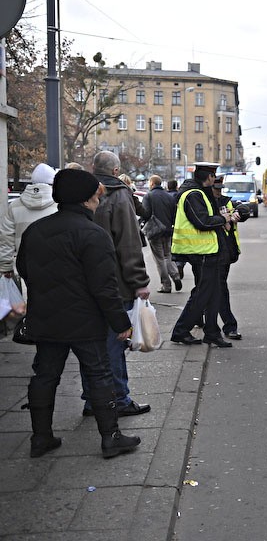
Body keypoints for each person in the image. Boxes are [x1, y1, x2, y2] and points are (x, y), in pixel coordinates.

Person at [17, 169, 141, 458]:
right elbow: (104, 287)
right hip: (85, 321)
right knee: (99, 374)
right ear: (86, 200)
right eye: (96, 197)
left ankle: (41, 437)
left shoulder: (37, 230)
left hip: (46, 319)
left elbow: (25, 269)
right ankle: (111, 437)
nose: (98, 201)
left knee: (44, 376)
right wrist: (120, 323)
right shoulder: (93, 234)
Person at [82, 151, 151, 417]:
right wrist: (139, 282)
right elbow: (128, 242)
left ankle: (91, 399)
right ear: (115, 171)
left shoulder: (83, 191)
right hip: (115, 283)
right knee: (114, 343)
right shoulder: (120, 194)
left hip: (85, 283)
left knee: (90, 345)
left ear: (92, 167)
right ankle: (119, 399)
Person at [170, 162, 233, 348]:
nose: (215, 180)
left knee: (213, 293)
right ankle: (181, 330)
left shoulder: (199, 193)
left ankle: (212, 332)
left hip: (208, 251)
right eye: (214, 176)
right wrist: (223, 219)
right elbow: (202, 221)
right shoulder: (193, 194)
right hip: (201, 252)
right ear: (209, 177)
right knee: (202, 293)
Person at [0, 164, 58, 279]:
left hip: (25, 265)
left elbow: (5, 239)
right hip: (54, 265)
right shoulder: (60, 206)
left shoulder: (14, 206)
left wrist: (6, 267)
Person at [211, 175, 249, 340]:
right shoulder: (204, 202)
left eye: (220, 189)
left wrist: (238, 214)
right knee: (217, 289)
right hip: (211, 252)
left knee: (211, 289)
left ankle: (192, 323)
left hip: (225, 252)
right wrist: (223, 220)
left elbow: (243, 210)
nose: (219, 193)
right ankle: (229, 326)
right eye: (216, 189)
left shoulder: (225, 201)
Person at [142, 175, 182, 293]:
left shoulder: (148, 196)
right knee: (168, 255)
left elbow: (146, 213)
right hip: (168, 230)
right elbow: (175, 214)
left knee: (159, 259)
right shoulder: (169, 197)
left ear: (152, 183)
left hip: (155, 231)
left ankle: (166, 285)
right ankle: (176, 276)